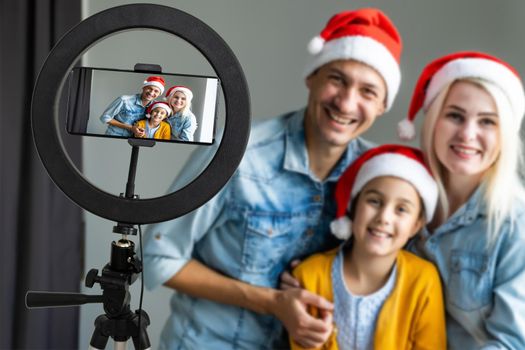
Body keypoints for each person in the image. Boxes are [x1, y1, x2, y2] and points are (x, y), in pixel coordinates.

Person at [143, 8, 403, 349]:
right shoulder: (238, 152)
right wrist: (270, 302)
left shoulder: (381, 179)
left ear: (383, 105)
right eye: (337, 79)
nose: (347, 102)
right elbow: (158, 257)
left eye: (368, 92)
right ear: (312, 77)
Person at [398, 51, 525, 349]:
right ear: (434, 120)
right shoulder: (399, 196)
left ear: (504, 133)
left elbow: (511, 342)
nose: (468, 134)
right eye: (455, 115)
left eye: (487, 122)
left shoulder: (516, 223)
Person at [290, 144, 446, 350]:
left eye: (401, 209)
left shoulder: (423, 281)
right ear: (354, 206)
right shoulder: (309, 275)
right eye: (374, 201)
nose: (384, 218)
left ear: (416, 225)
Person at [100, 75, 165, 137]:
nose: (151, 93)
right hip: (114, 136)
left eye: (156, 91)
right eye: (149, 88)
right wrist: (131, 128)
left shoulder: (157, 107)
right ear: (143, 87)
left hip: (136, 140)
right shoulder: (124, 100)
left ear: (159, 94)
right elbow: (105, 118)